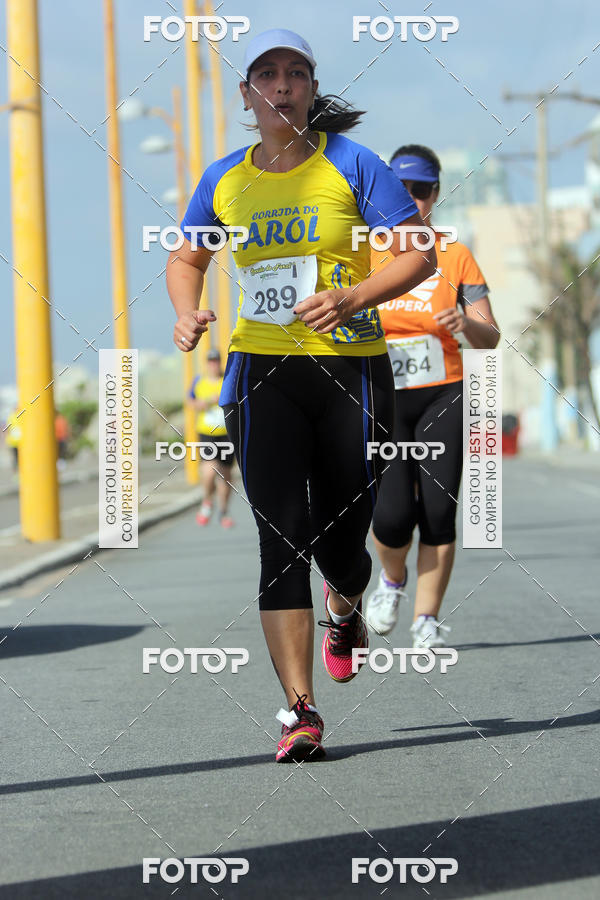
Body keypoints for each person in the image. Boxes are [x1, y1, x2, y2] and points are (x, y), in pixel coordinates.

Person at [167, 30, 436, 762]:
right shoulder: (224, 178)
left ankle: (344, 607)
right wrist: (186, 310)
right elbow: (187, 253)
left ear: (312, 91)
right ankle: (300, 711)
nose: (282, 84)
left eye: (297, 73)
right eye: (267, 74)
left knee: (343, 544)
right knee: (281, 537)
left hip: (351, 368)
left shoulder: (354, 164)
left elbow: (418, 253)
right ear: (247, 94)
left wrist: (353, 296)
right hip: (263, 373)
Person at [366, 144, 500, 647]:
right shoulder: (367, 249)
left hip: (443, 391)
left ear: (435, 195)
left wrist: (465, 322)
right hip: (385, 395)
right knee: (392, 516)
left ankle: (425, 619)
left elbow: (491, 335)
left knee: (439, 512)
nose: (412, 200)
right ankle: (392, 580)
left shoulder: (455, 253)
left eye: (421, 191)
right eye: (401, 190)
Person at [188, 348, 235, 528]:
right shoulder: (199, 381)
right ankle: (207, 501)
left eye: (216, 361)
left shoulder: (227, 379)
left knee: (225, 475)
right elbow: (190, 401)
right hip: (207, 433)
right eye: (211, 361)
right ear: (207, 363)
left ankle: (223, 511)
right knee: (209, 471)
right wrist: (203, 403)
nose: (213, 364)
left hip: (226, 433)